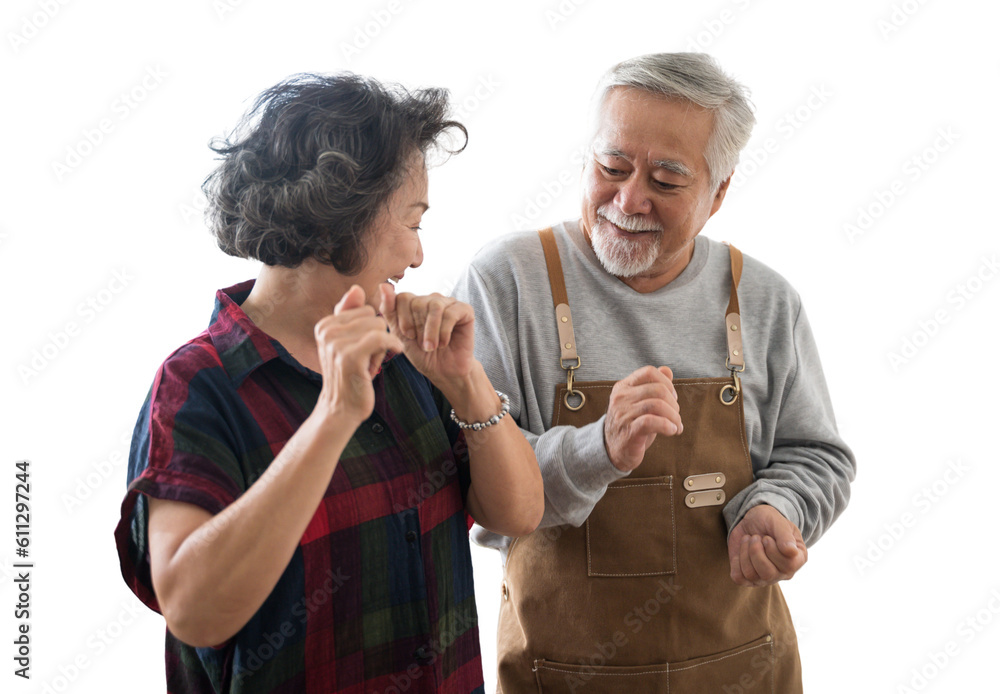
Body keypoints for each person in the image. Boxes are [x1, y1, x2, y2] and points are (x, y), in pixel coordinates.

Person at [114, 73, 544, 694]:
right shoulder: (198, 387)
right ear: (344, 212)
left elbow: (519, 512)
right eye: (412, 220)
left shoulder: (403, 358)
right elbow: (194, 609)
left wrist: (465, 381)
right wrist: (334, 415)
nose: (419, 256)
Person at [452, 53, 856, 692]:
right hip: (561, 675)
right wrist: (598, 448)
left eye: (667, 181)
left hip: (742, 669)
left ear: (718, 192)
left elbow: (818, 456)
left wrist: (777, 508)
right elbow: (476, 490)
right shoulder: (507, 282)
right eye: (611, 167)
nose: (628, 199)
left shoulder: (765, 299)